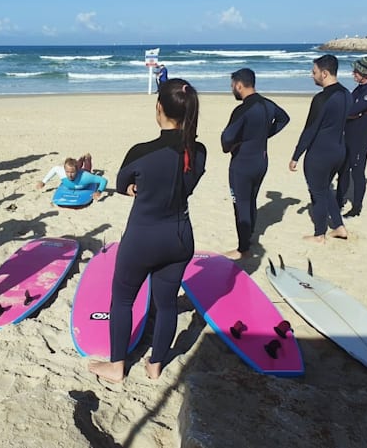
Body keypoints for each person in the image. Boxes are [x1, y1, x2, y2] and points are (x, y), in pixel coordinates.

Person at [89, 79, 207, 383]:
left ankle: (117, 367)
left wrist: (134, 187)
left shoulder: (141, 151)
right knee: (166, 303)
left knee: (123, 300)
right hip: (180, 238)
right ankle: (156, 364)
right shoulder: (199, 151)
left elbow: (120, 184)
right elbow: (186, 184)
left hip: (143, 238)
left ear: (159, 109)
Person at [221, 68, 290, 260]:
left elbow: (226, 138)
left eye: (232, 85)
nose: (232, 89)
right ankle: (248, 240)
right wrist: (263, 134)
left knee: (241, 204)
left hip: (242, 164)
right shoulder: (267, 104)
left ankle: (243, 249)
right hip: (261, 161)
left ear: (239, 85)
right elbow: (284, 119)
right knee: (250, 200)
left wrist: (234, 145)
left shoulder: (242, 109)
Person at [289, 55, 351, 243]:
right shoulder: (347, 93)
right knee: (325, 190)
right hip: (339, 150)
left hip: (320, 153)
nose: (312, 75)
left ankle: (319, 234)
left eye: (314, 72)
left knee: (317, 193)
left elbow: (310, 129)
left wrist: (296, 155)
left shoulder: (322, 98)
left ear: (324, 73)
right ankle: (339, 227)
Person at [336, 57, 367, 218]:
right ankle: (338, 201)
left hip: (361, 138)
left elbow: (351, 110)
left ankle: (356, 207)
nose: (353, 74)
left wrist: (352, 113)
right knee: (343, 170)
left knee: (357, 173)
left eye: (356, 71)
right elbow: (349, 109)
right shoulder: (359, 88)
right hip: (348, 135)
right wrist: (351, 114)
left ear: (365, 73)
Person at [36, 154, 108, 200]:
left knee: (87, 168)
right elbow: (54, 169)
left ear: (77, 171)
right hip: (76, 169)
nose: (70, 175)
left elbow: (103, 180)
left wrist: (99, 191)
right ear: (64, 170)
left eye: (72, 173)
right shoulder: (62, 172)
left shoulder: (85, 177)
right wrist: (44, 181)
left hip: (83, 173)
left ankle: (88, 158)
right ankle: (81, 158)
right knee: (74, 166)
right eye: (67, 172)